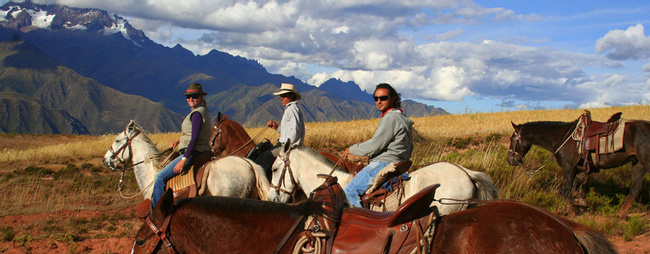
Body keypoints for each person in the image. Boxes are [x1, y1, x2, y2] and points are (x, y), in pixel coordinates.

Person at [342, 83, 414, 207]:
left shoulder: (391, 117)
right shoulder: (401, 117)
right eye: (376, 98)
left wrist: (351, 149)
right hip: (399, 162)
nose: (379, 101)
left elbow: (374, 145)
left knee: (349, 191)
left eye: (383, 98)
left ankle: (361, 224)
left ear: (393, 99)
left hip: (384, 163)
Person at [151, 83, 212, 207]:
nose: (190, 99)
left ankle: (156, 212)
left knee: (160, 177)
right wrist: (179, 141)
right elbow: (195, 134)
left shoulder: (196, 114)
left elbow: (194, 138)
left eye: (194, 96)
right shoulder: (202, 111)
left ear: (200, 97)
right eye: (188, 97)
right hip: (201, 150)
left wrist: (184, 159)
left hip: (192, 153)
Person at [254, 83, 305, 178]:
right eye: (281, 96)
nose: (281, 98)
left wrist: (286, 149)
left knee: (262, 160)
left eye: (284, 95)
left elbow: (295, 132)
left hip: (286, 147)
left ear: (291, 96)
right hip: (287, 145)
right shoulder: (291, 108)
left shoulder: (291, 109)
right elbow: (289, 132)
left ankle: (262, 182)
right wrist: (276, 127)